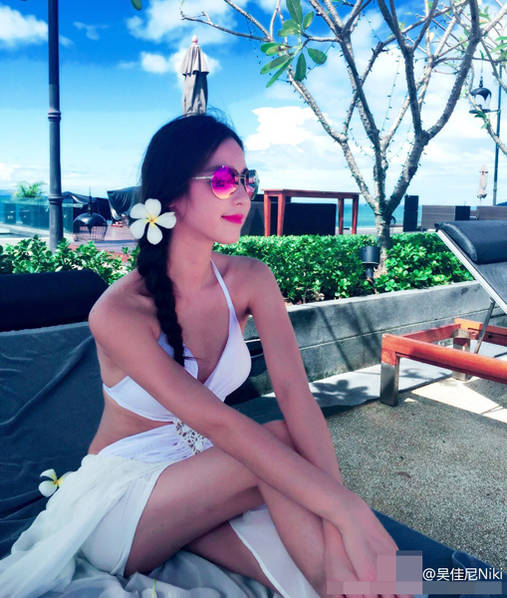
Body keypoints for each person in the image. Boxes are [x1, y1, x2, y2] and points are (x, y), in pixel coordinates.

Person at [0, 113, 416, 598]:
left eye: (246, 178)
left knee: (310, 563)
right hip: (120, 502)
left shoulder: (251, 277)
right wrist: (347, 510)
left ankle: (396, 585)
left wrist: (336, 510)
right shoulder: (118, 312)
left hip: (206, 481)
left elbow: (295, 395)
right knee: (275, 448)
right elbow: (221, 424)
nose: (242, 195)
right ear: (172, 194)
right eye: (222, 180)